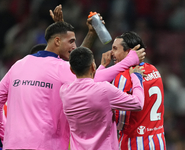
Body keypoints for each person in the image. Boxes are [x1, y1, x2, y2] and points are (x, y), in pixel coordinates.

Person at [0, 9, 146, 149]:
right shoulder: (59, 68)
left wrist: (4, 132)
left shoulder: (18, 65)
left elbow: (79, 62)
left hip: (12, 144)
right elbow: (91, 77)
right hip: (46, 146)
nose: (74, 46)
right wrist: (130, 60)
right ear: (57, 41)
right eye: (71, 41)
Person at [60, 47, 145, 150]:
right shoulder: (104, 90)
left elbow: (86, 82)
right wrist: (136, 77)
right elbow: (138, 103)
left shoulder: (64, 91)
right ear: (93, 66)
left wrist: (102, 67)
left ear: (72, 70)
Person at [110, 31, 166, 150]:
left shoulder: (122, 77)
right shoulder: (154, 70)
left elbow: (121, 121)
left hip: (134, 142)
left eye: (115, 49)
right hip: (158, 141)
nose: (111, 53)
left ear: (130, 52)